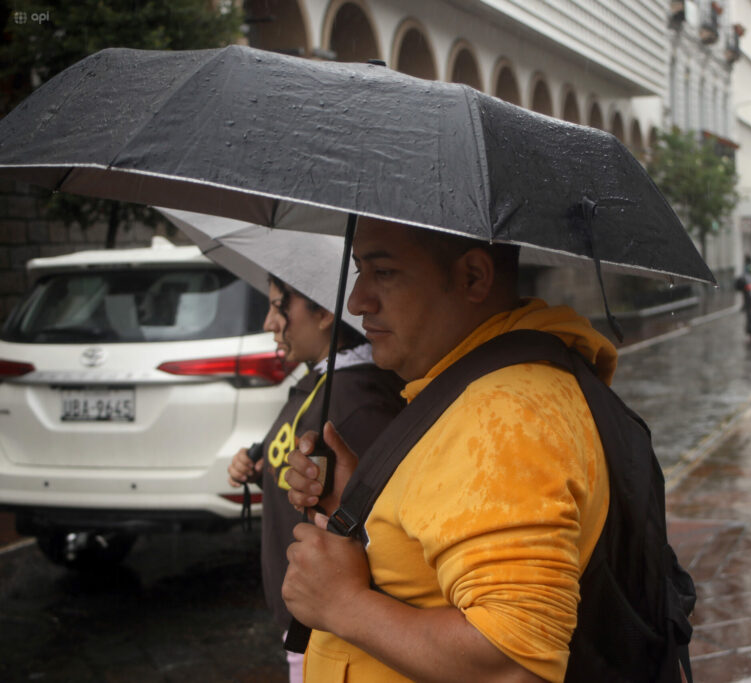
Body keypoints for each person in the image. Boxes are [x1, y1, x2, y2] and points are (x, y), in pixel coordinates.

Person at [280, 217, 617, 682]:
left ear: (473, 277)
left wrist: (343, 605)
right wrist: (362, 499)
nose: (357, 301)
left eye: (384, 272)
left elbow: (513, 665)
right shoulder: (480, 388)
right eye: (358, 271)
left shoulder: (502, 414)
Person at [226, 275, 404, 682]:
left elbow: (374, 518)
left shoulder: (355, 400)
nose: (270, 322)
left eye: (278, 307)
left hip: (331, 634)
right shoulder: (319, 384)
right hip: (308, 619)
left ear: (324, 313)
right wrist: (261, 468)